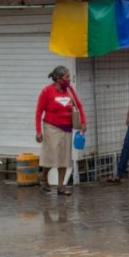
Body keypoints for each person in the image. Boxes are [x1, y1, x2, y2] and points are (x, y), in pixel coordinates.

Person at [35, 66, 86, 196]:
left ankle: (61, 186)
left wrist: (83, 122)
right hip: (51, 127)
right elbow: (39, 112)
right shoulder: (47, 91)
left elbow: (78, 105)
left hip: (67, 127)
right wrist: (38, 131)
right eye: (67, 77)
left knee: (64, 157)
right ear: (58, 79)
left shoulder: (69, 90)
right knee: (53, 155)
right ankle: (44, 175)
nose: (69, 80)